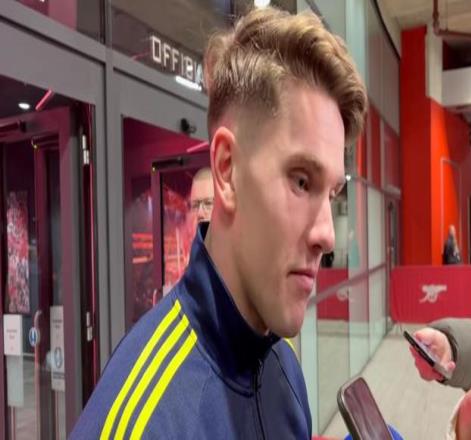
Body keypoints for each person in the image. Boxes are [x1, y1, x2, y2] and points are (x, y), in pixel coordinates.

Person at [71, 6, 366, 440]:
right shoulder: (141, 424)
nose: (327, 234)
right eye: (302, 181)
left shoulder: (283, 369)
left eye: (332, 193)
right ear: (227, 170)